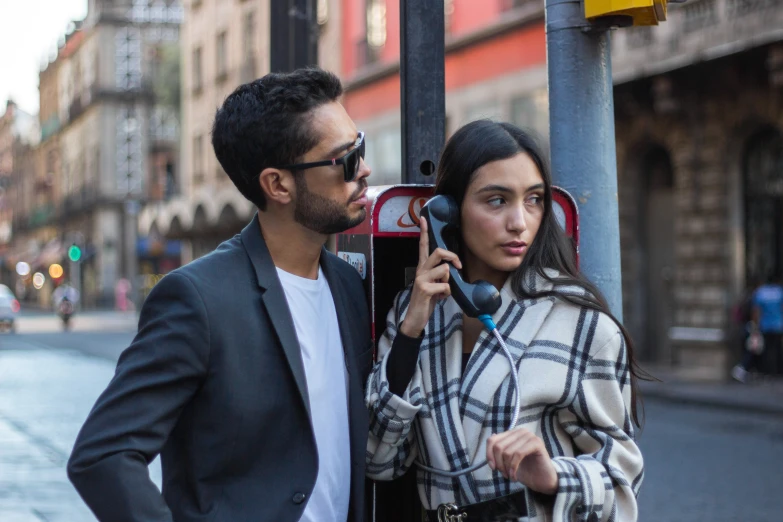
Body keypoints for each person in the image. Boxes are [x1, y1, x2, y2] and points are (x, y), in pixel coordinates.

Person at [68, 68, 374, 522]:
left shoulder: (349, 287)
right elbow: (103, 453)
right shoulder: (197, 298)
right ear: (278, 185)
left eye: (361, 147)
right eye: (345, 159)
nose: (364, 169)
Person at [366, 121, 645, 521]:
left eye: (533, 200)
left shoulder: (580, 323)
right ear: (448, 212)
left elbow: (620, 481)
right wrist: (411, 330)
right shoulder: (414, 316)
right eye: (497, 200)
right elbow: (378, 460)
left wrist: (553, 476)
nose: (520, 222)